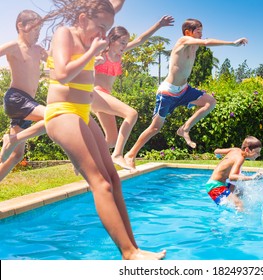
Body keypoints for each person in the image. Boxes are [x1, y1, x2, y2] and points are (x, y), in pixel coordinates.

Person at [43, 0, 165, 260]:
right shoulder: (66, 34)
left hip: (83, 114)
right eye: (99, 27)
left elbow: (113, 5)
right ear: (83, 18)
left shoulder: (93, 35)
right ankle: (129, 253)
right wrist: (92, 53)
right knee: (100, 183)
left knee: (114, 179)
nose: (102, 34)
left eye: (106, 30)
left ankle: (134, 248)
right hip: (62, 112)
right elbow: (62, 73)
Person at [124, 18, 248, 169]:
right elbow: (207, 42)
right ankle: (130, 154)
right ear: (188, 32)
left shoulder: (194, 46)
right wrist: (232, 43)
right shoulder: (183, 40)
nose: (201, 35)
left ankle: (185, 128)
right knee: (155, 128)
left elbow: (206, 41)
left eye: (202, 32)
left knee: (210, 102)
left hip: (184, 89)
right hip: (168, 92)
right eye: (198, 32)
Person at [93, 15, 174, 170]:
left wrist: (159, 24)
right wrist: (93, 61)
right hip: (95, 93)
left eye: (126, 42)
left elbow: (141, 40)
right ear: (112, 39)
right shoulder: (102, 52)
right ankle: (117, 155)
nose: (124, 45)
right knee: (131, 114)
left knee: (111, 139)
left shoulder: (119, 55)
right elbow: (84, 57)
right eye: (122, 42)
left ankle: (87, 159)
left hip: (105, 97)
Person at [0, 10, 48, 182]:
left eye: (40, 29)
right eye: (35, 28)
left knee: (16, 155)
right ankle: (13, 138)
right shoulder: (14, 47)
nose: (38, 33)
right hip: (17, 99)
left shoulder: (38, 50)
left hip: (28, 104)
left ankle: (12, 141)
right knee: (53, 117)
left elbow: (59, 64)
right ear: (21, 26)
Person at [206, 136, 262, 211]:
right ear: (247, 150)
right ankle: (241, 220)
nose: (259, 155)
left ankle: (237, 207)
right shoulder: (240, 158)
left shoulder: (235, 150)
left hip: (220, 183)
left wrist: (218, 155)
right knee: (239, 204)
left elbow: (216, 151)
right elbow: (232, 176)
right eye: (257, 152)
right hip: (214, 187)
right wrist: (252, 177)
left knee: (241, 191)